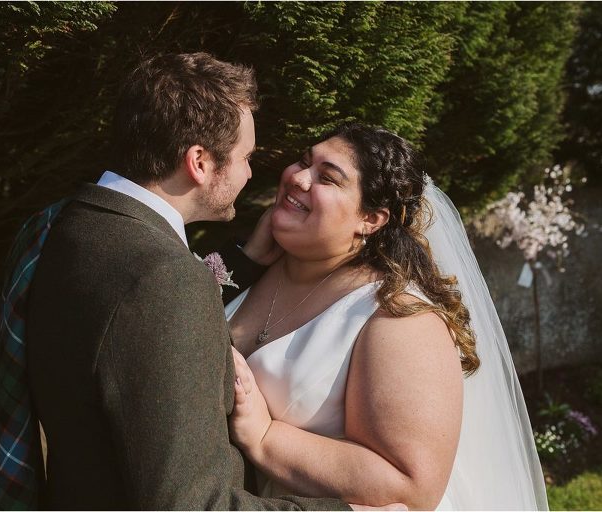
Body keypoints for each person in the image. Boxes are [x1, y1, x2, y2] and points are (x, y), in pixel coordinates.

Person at [0, 52, 355, 510]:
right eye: (244, 158)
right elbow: (195, 505)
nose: (251, 173)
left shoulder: (58, 226)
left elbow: (131, 319)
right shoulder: (167, 279)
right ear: (198, 161)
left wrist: (246, 259)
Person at [226, 122, 549, 510]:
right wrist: (242, 264)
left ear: (371, 219)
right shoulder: (256, 265)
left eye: (327, 178)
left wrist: (264, 437)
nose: (298, 178)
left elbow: (409, 485)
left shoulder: (397, 316)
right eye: (303, 161)